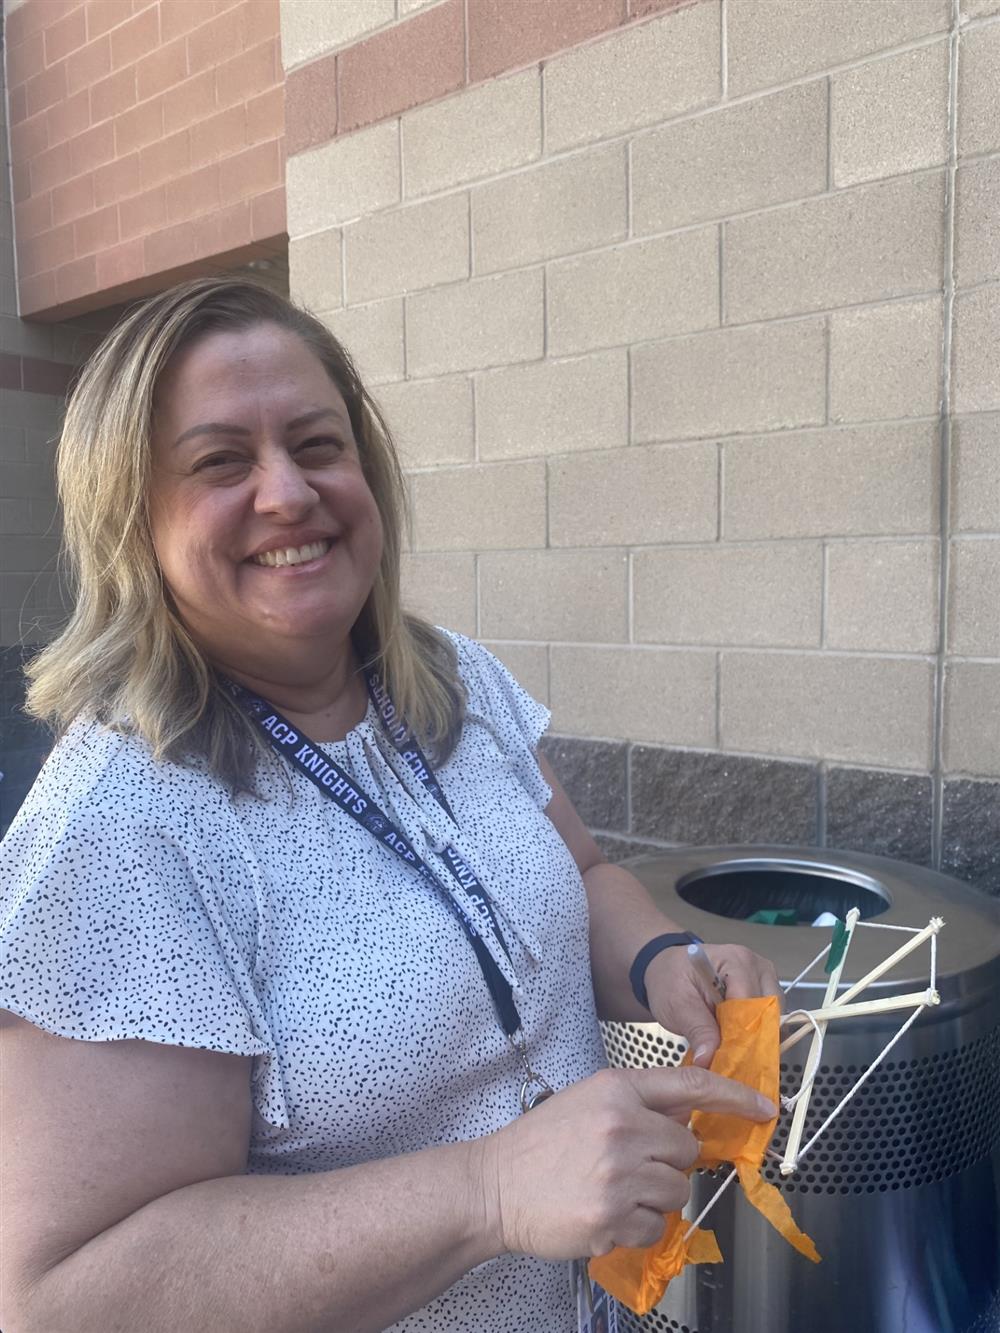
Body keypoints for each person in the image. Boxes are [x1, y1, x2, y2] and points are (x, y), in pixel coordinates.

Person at [0, 278, 780, 1333]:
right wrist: (489, 1192)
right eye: (221, 461)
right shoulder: (122, 825)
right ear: (129, 520)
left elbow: (586, 874)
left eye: (317, 444)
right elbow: (67, 1300)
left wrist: (660, 964)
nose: (287, 493)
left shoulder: (450, 678)